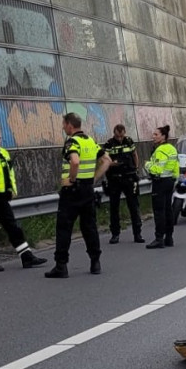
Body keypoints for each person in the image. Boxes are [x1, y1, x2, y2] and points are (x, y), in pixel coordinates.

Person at [0, 128, 47, 272]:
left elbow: (9, 173)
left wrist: (12, 189)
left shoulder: (4, 153)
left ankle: (27, 256)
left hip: (1, 198)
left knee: (13, 227)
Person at [45, 113, 104, 278]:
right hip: (87, 190)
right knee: (89, 227)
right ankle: (95, 263)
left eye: (63, 124)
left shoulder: (72, 141)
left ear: (70, 125)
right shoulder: (90, 141)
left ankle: (61, 266)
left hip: (72, 191)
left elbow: (75, 161)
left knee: (64, 228)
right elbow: (106, 160)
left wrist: (71, 179)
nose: (63, 127)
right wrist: (93, 178)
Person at [101, 124, 144, 244]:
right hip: (114, 179)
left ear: (124, 133)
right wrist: (111, 164)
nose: (120, 138)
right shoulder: (109, 144)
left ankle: (137, 234)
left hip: (129, 178)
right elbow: (103, 160)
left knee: (134, 206)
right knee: (114, 207)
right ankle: (115, 234)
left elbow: (135, 155)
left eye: (121, 136)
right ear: (114, 134)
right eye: (117, 136)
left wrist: (136, 168)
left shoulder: (129, 141)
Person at [144, 125, 179, 249]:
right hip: (169, 181)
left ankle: (159, 238)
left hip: (160, 182)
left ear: (163, 136)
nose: (153, 137)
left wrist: (147, 165)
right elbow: (176, 167)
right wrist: (173, 178)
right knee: (168, 209)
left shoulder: (160, 150)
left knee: (159, 211)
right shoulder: (172, 148)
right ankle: (169, 237)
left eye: (156, 134)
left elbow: (157, 169)